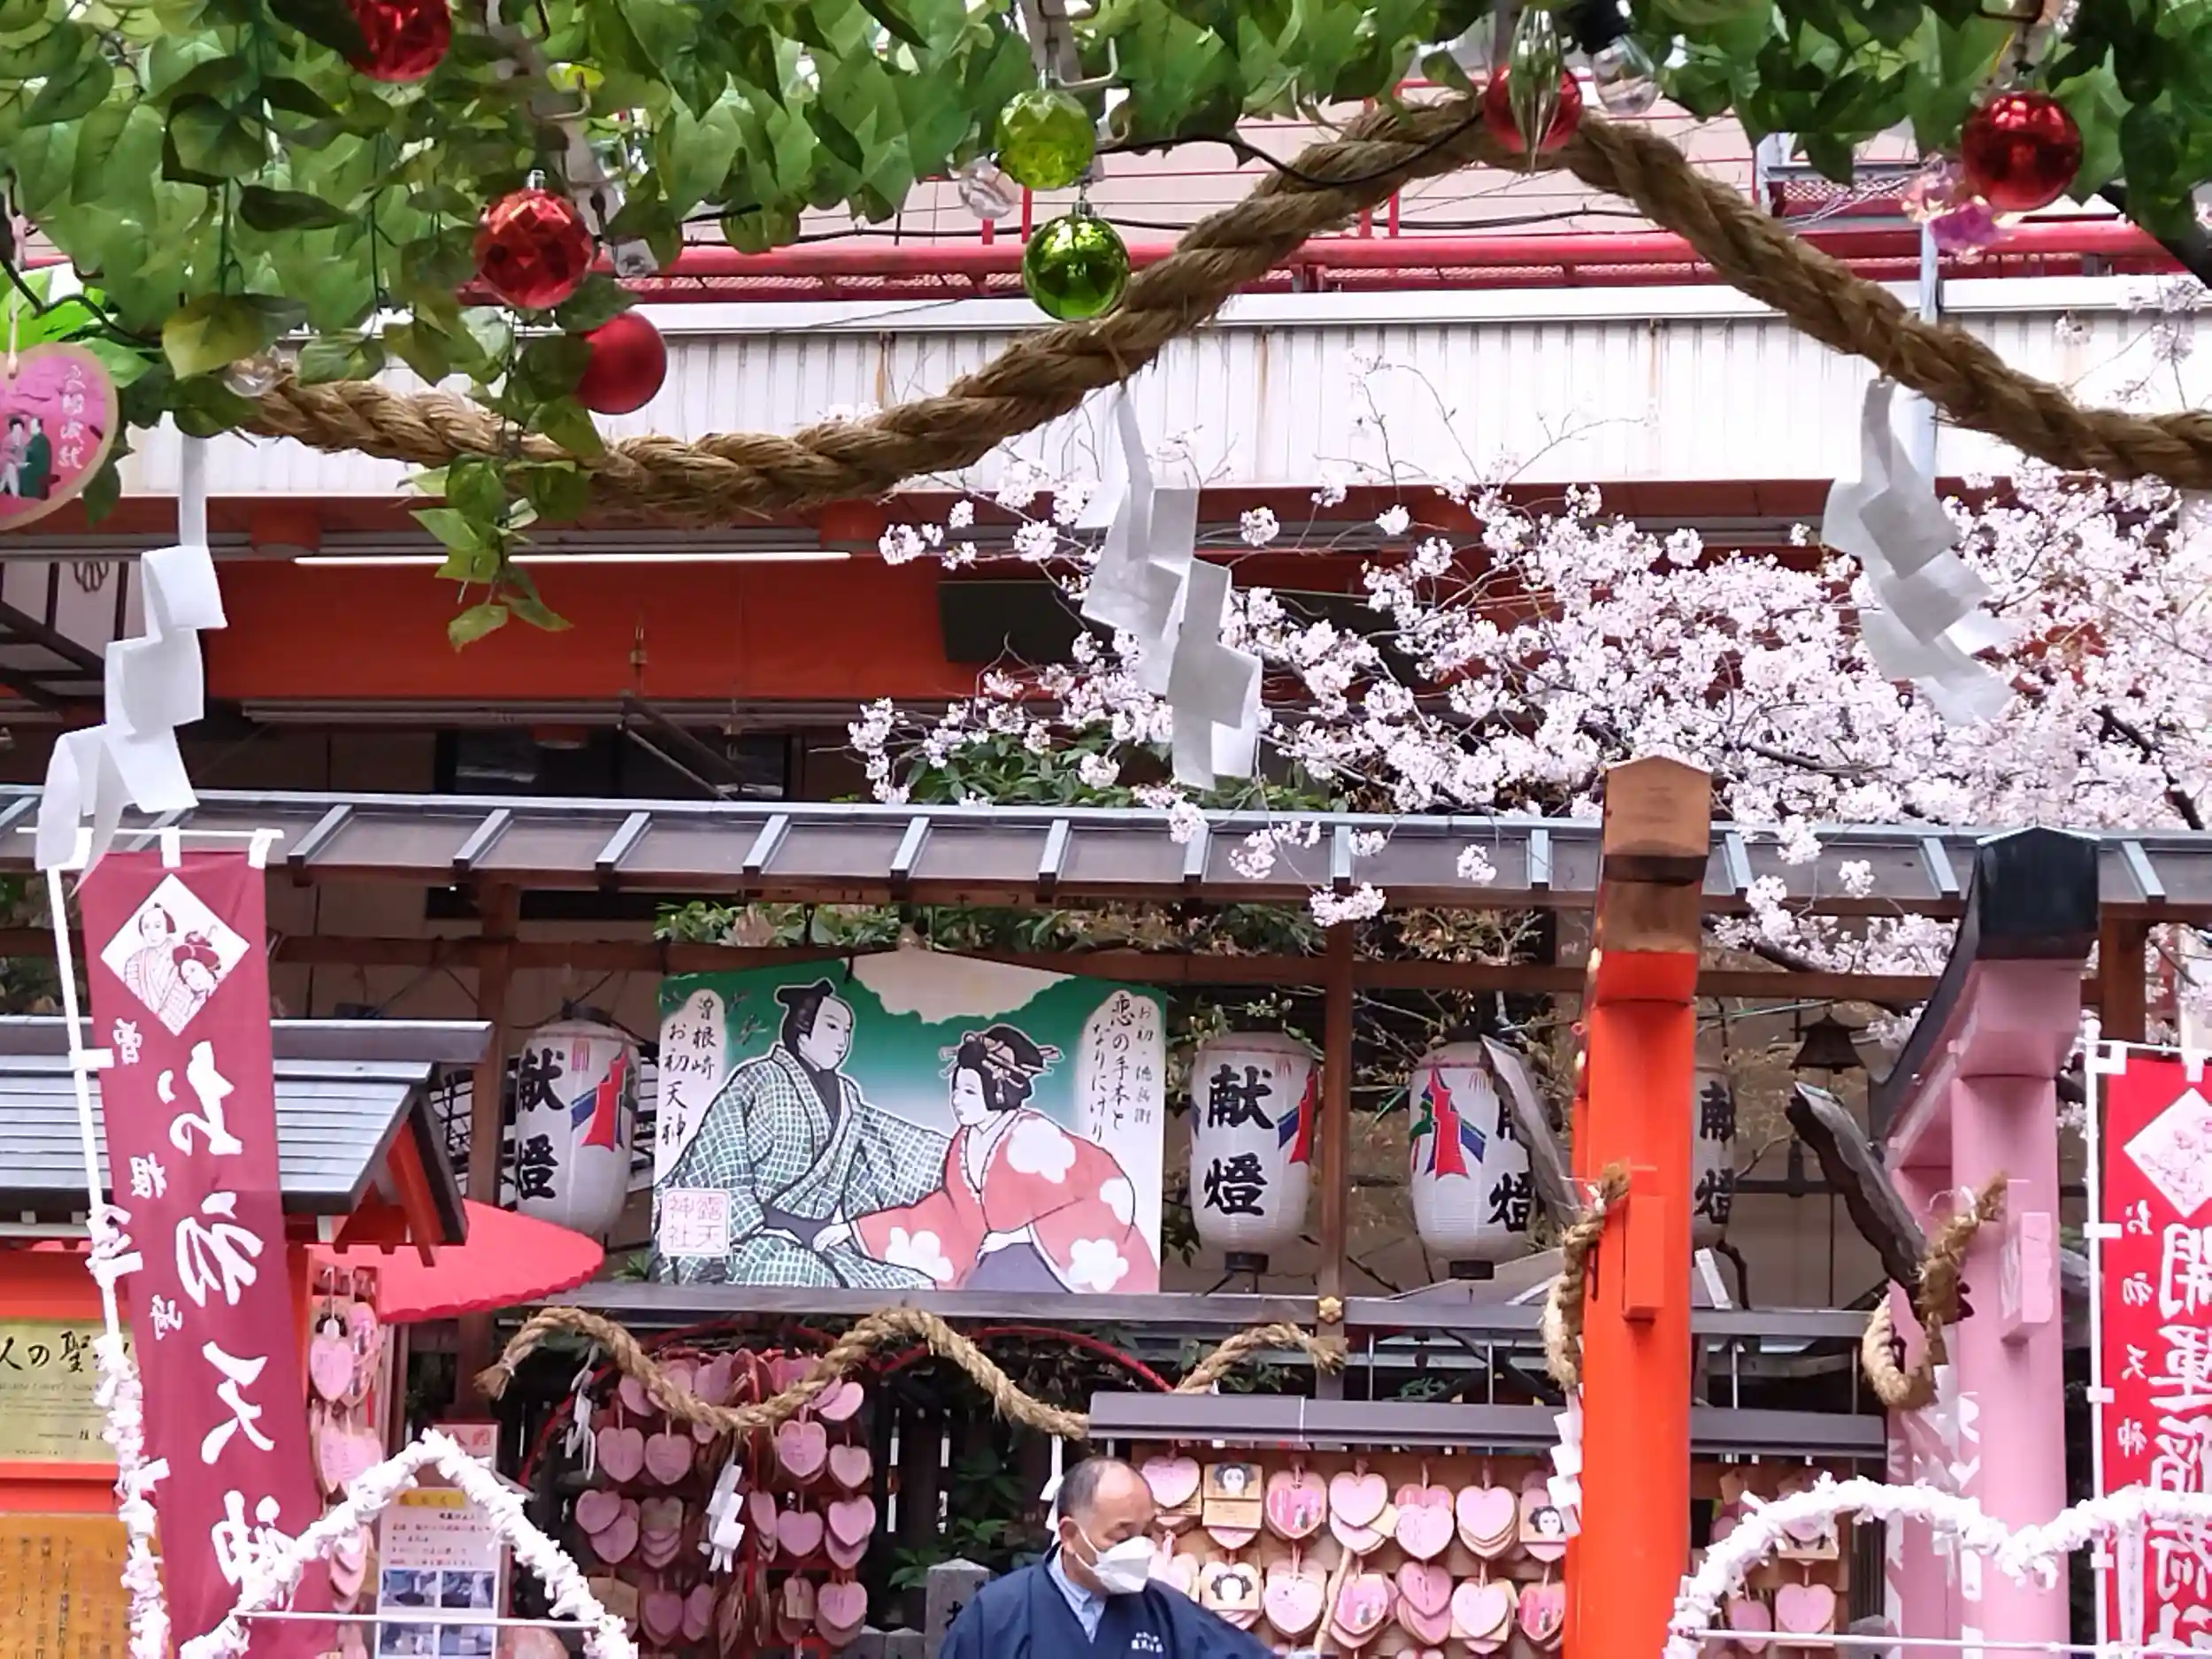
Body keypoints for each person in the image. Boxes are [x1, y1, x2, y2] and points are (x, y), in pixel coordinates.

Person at [655, 979, 949, 1289]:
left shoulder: (848, 1097)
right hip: (754, 1241)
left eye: (847, 1031)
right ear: (802, 1028)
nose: (842, 1040)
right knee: (797, 1273)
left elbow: (886, 1142)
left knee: (915, 1286)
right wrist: (755, 1227)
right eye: (832, 1027)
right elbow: (721, 1160)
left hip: (821, 1245)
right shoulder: (758, 1079)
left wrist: (963, 1156)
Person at [847, 1024, 1156, 1292]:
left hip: (1059, 1263)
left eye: (969, 1092)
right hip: (1003, 1261)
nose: (957, 1100)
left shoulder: (1033, 1136)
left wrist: (1020, 1236)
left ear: (997, 1092)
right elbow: (948, 1215)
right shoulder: (963, 1144)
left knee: (996, 1275)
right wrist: (857, 1230)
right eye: (956, 1090)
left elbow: (1106, 1194)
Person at [940, 1456, 1268, 1659]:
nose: (1139, 1548)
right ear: (1069, 1535)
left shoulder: (1168, 1613)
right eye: (1122, 1537)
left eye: (1146, 1534)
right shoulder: (995, 1615)